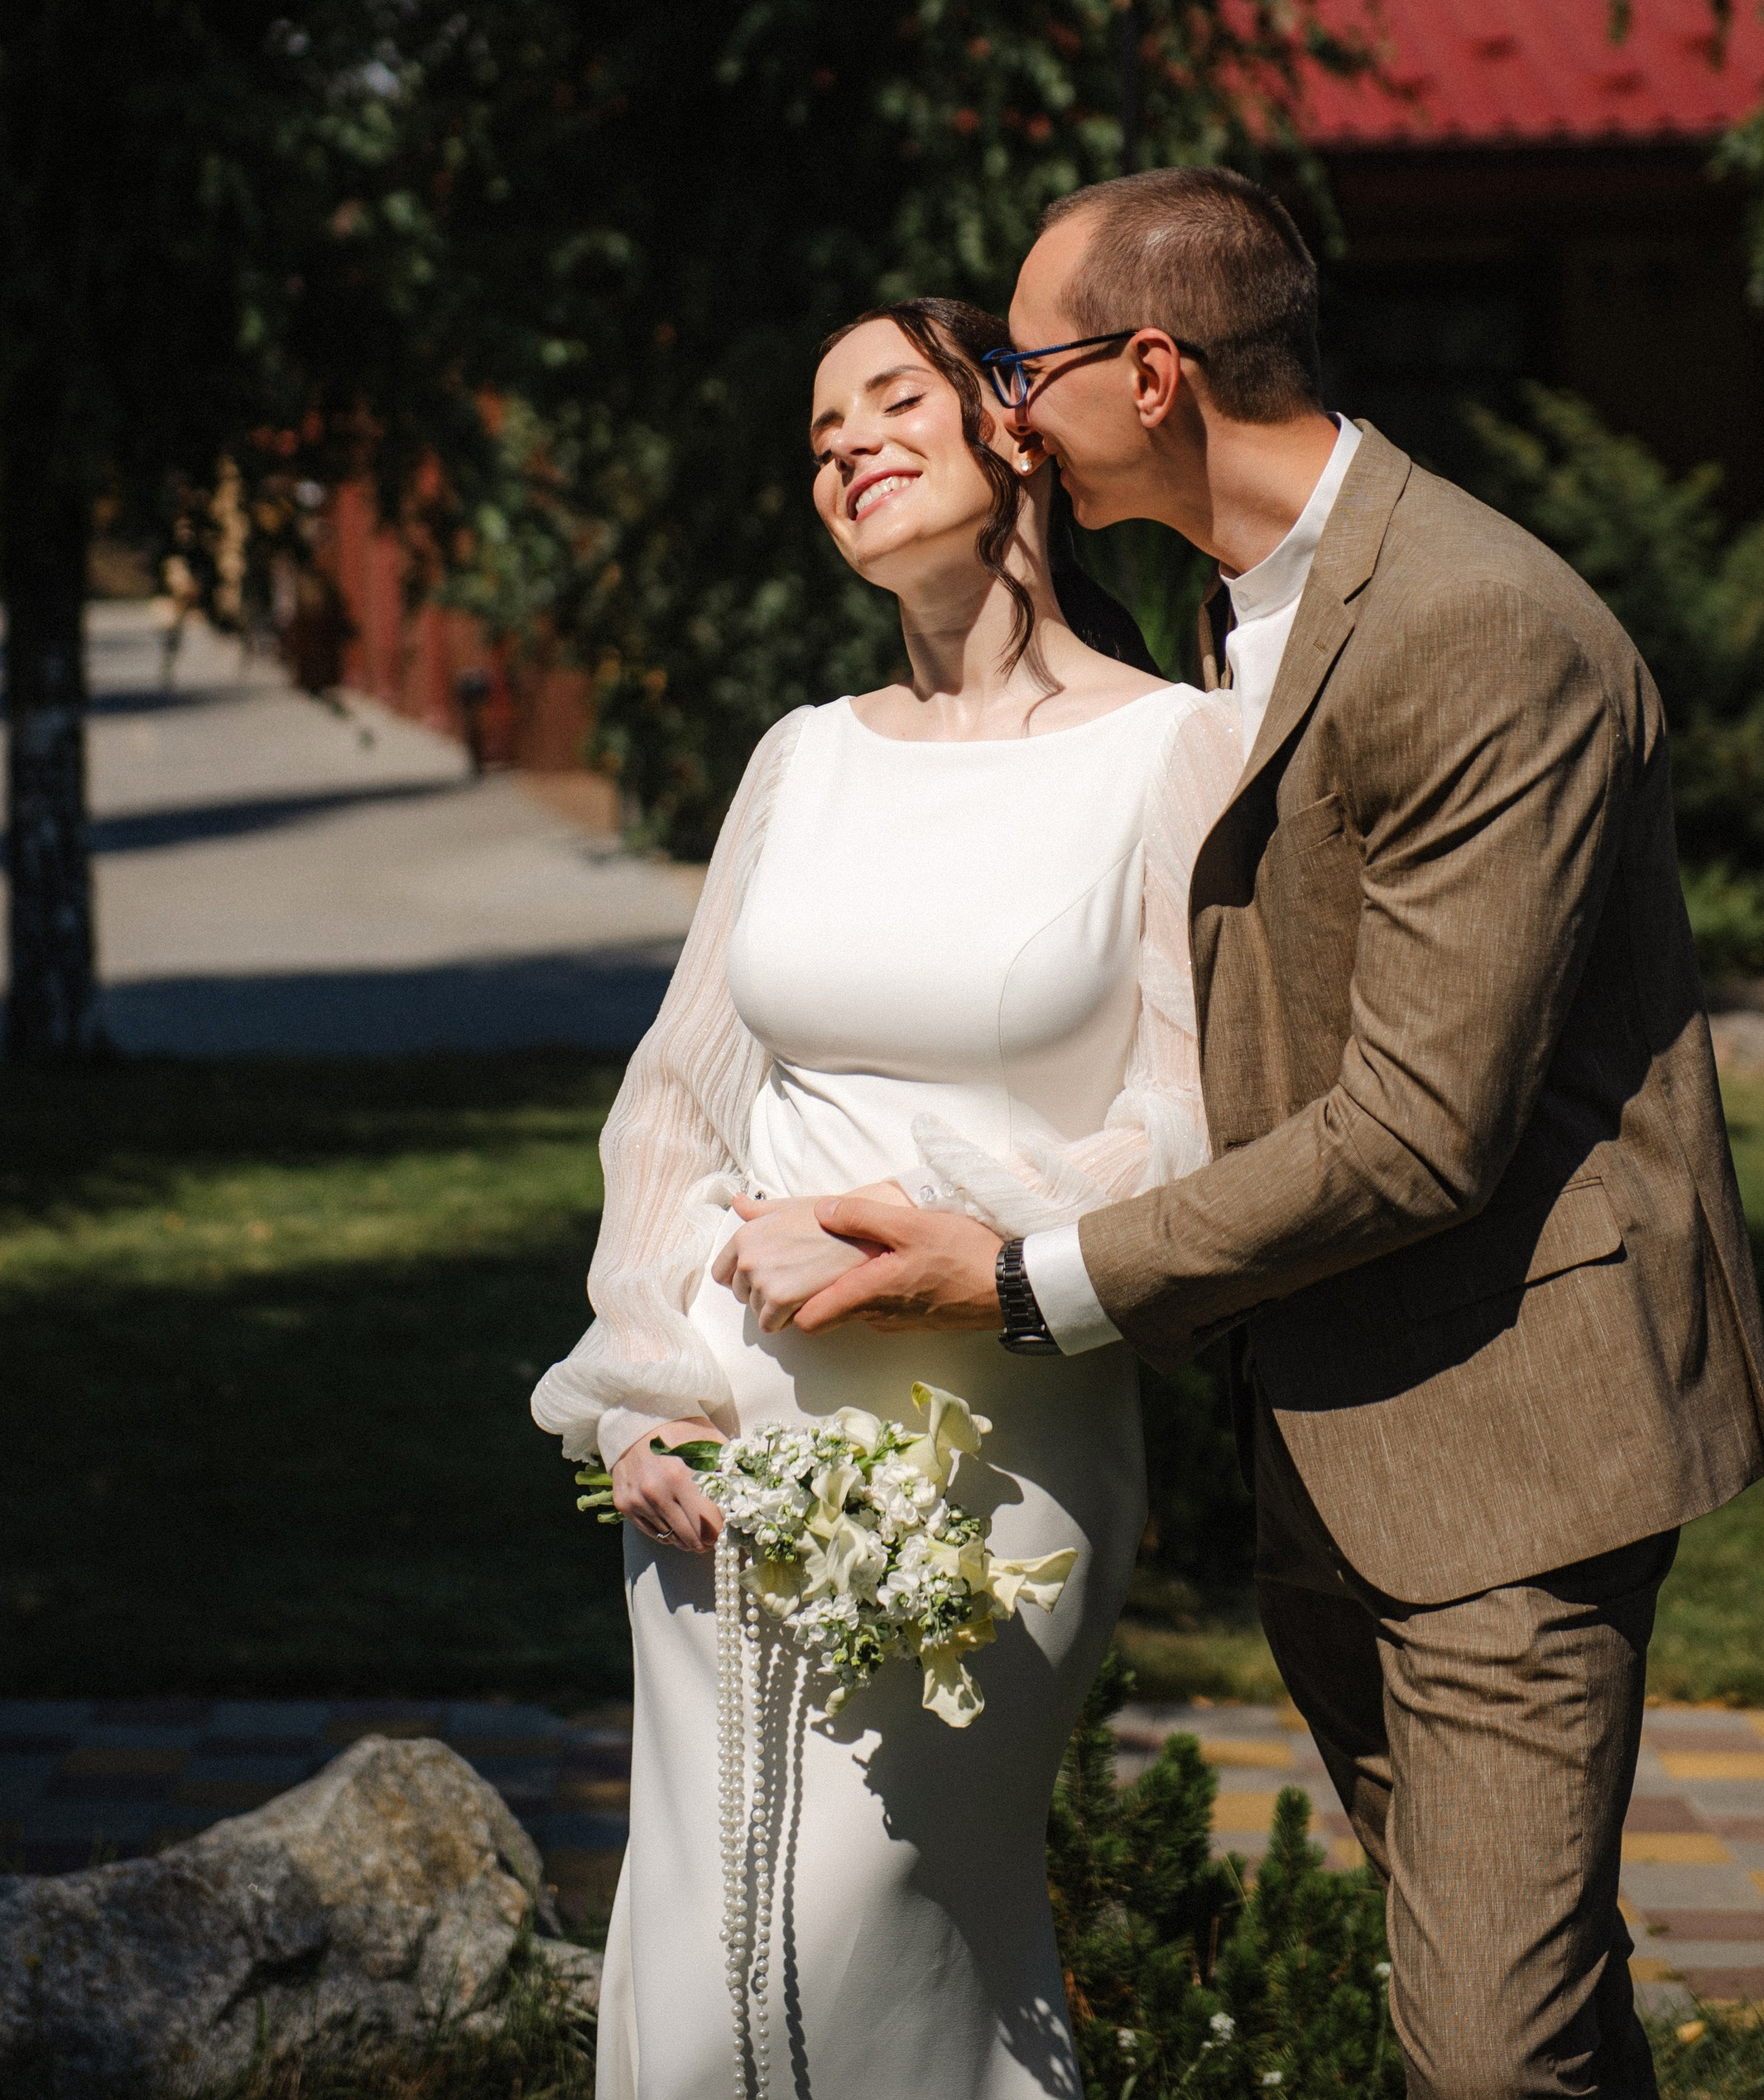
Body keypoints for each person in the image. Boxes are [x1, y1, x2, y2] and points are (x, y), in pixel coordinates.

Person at [791, 170, 1764, 2100]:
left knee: (1486, 2057)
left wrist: (1021, 1281)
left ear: (1149, 373)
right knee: (1525, 2005)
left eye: (1023, 364)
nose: (1004, 407)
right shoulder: (1241, 607)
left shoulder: (1475, 623)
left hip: (1520, 1432)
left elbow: (1418, 1130)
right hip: (1335, 1416)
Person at [531, 295, 1241, 2100]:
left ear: (1014, 423)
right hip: (726, 1424)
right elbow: (680, 1100)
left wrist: (932, 1225)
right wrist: (643, 1386)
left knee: (880, 1941)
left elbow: (1193, 1116)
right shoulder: (802, 754)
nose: (842, 442)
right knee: (705, 1975)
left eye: (886, 400)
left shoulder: (1173, 747)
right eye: (818, 426)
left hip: (987, 1434)